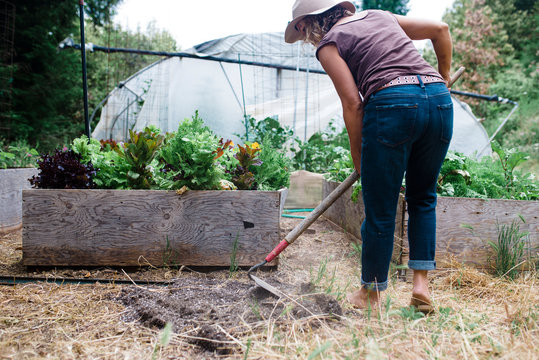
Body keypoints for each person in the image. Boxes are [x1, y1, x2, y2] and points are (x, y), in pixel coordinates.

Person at [285, 0, 454, 313]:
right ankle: (421, 286)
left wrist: (358, 154)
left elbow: (352, 103)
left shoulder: (328, 45)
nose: (306, 37)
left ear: (303, 25)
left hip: (392, 104)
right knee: (423, 198)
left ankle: (370, 295)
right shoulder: (380, 15)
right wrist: (442, 77)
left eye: (303, 32)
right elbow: (440, 30)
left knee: (381, 206)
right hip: (438, 101)